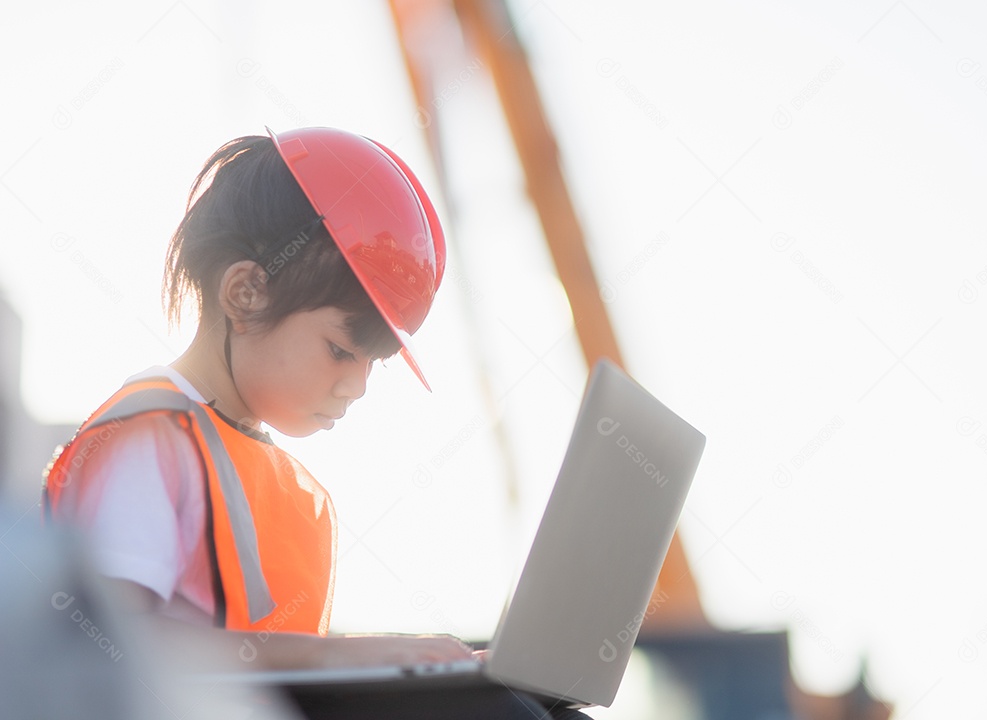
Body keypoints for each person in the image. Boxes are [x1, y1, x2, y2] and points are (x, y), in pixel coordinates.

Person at [42, 127, 587, 719]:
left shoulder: (276, 479)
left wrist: (406, 668)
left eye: (373, 364)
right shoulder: (147, 439)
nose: (356, 386)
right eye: (340, 350)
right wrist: (361, 658)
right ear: (246, 291)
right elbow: (105, 652)